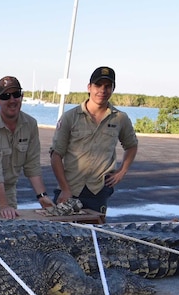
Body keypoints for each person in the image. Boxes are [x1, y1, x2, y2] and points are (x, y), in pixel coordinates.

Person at [49, 66, 138, 214]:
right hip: (69, 189)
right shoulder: (70, 117)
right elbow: (56, 155)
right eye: (98, 85)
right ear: (89, 87)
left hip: (98, 191)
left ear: (113, 89)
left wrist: (122, 171)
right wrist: (64, 188)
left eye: (108, 86)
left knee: (95, 235)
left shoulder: (120, 118)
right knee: (60, 234)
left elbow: (131, 145)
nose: (102, 90)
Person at [0, 75, 54, 219]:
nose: (12, 100)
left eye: (16, 94)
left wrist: (43, 197)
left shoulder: (30, 124)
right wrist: (3, 205)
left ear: (22, 96)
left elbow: (32, 165)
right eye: (6, 96)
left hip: (9, 190)